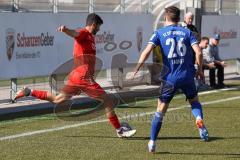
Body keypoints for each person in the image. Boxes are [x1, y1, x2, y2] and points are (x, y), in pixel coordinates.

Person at [14, 13, 136, 138]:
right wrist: (66, 30)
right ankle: (120, 130)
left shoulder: (90, 37)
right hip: (83, 78)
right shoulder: (84, 33)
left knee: (58, 99)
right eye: (98, 26)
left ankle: (29, 91)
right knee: (108, 100)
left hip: (76, 77)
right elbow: (75, 34)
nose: (99, 29)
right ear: (93, 24)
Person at [132, 6, 209, 153]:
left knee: (160, 111)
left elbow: (147, 51)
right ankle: (198, 119)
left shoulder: (159, 33)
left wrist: (137, 67)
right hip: (187, 76)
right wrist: (199, 71)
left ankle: (152, 142)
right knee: (194, 101)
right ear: (179, 18)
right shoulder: (188, 32)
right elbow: (198, 52)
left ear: (166, 18)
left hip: (170, 78)